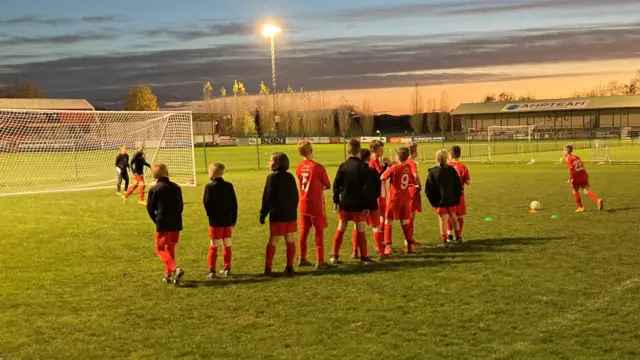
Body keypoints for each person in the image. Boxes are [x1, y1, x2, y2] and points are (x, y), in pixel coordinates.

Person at [332, 139, 375, 265]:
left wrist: (336, 201)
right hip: (359, 205)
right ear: (359, 150)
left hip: (345, 203)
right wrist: (367, 205)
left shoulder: (343, 165)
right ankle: (364, 257)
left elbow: (336, 184)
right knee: (360, 230)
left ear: (349, 150)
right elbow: (366, 188)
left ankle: (334, 256)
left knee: (341, 229)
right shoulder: (363, 167)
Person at [295, 140, 333, 270]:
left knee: (304, 231)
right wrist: (318, 187)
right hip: (315, 204)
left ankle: (302, 257)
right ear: (311, 150)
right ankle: (320, 261)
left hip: (303, 203)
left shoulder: (299, 167)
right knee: (318, 232)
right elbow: (328, 185)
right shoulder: (317, 167)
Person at [260, 152, 299, 276]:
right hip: (290, 214)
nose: (269, 163)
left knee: (273, 240)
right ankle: (290, 266)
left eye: (271, 161)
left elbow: (267, 196)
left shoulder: (272, 177)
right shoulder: (290, 177)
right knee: (290, 239)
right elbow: (295, 195)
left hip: (278, 214)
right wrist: (292, 209)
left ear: (276, 163)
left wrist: (263, 213)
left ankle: (268, 267)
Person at [146, 163, 185, 285]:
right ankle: (168, 275)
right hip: (176, 221)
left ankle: (175, 269)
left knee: (160, 249)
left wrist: (156, 220)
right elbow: (180, 205)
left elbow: (150, 208)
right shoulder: (176, 187)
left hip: (163, 222)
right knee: (171, 248)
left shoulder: (154, 189)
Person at [351, 140, 389, 258]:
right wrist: (388, 168)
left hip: (360, 200)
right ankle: (380, 248)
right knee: (376, 224)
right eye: (380, 149)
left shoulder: (357, 169)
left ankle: (355, 251)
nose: (382, 151)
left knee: (359, 225)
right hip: (373, 199)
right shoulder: (373, 163)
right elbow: (379, 176)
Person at [203, 163, 237, 278]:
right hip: (227, 220)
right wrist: (233, 219)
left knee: (214, 245)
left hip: (215, 220)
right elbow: (234, 203)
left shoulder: (209, 187)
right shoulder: (229, 186)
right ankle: (227, 267)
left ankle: (212, 270)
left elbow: (206, 203)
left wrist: (210, 215)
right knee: (227, 244)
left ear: (211, 173)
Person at [381, 147, 417, 255]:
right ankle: (410, 246)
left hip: (394, 199)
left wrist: (389, 168)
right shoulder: (408, 167)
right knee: (405, 222)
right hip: (404, 199)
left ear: (398, 157)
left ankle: (388, 246)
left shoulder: (394, 169)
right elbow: (411, 179)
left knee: (388, 221)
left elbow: (382, 177)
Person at [426, 150, 463, 248]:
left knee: (442, 220)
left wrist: (433, 202)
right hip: (451, 200)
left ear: (436, 158)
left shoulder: (433, 172)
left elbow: (429, 190)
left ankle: (444, 241)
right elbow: (458, 186)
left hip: (440, 201)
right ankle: (458, 237)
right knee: (454, 217)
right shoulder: (452, 170)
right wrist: (456, 198)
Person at [563, 145, 603, 212]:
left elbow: (571, 169)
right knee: (586, 191)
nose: (563, 151)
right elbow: (581, 166)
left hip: (576, 176)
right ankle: (597, 200)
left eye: (563, 150)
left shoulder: (569, 158)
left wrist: (570, 178)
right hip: (583, 175)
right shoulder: (576, 157)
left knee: (575, 191)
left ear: (567, 151)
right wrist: (586, 175)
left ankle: (580, 207)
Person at [447, 146, 471, 243]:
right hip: (459, 196)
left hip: (448, 195)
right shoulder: (463, 167)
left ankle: (449, 235)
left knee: (449, 215)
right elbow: (468, 182)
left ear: (450, 155)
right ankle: (458, 236)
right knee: (459, 216)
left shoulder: (446, 166)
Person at [406, 141, 422, 246]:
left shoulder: (405, 160)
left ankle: (409, 239)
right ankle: (408, 240)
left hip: (405, 190)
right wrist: (419, 184)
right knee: (411, 216)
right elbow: (415, 175)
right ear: (414, 151)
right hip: (412, 190)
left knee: (409, 216)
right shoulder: (411, 162)